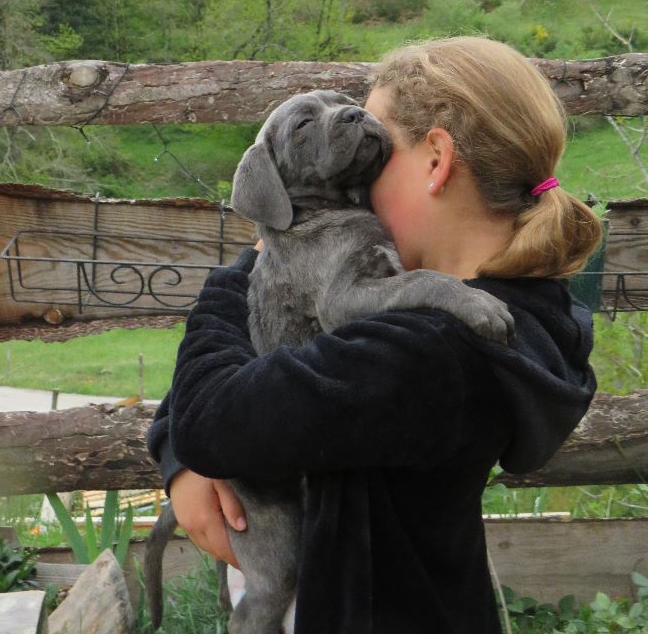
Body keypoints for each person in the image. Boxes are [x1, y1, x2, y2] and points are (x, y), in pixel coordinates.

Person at [147, 36, 601, 634]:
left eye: (377, 150)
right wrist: (181, 460)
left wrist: (246, 269)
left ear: (436, 161)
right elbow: (237, 388)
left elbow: (212, 418)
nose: (357, 179)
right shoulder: (501, 307)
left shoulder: (433, 350)